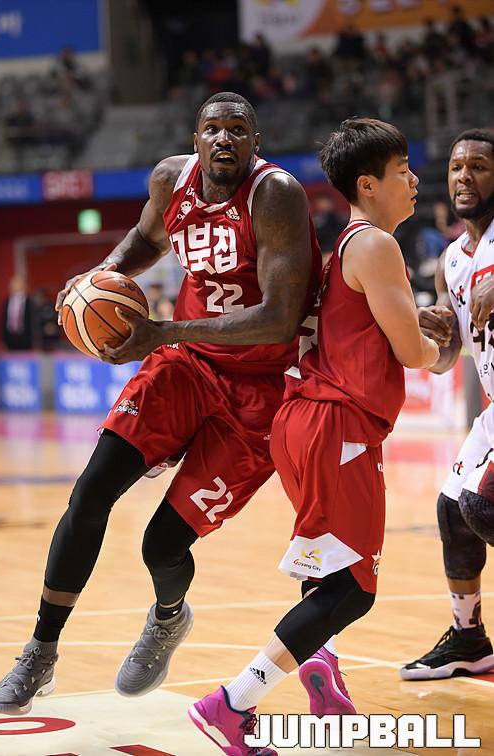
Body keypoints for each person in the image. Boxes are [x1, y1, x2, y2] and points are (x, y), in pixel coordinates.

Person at [0, 92, 321, 715]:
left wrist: (162, 331)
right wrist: (102, 276)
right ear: (195, 140)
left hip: (259, 391)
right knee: (90, 493)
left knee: (161, 544)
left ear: (255, 142)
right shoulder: (171, 181)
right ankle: (39, 652)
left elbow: (278, 318)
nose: (224, 139)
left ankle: (168, 617)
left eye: (237, 130)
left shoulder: (275, 195)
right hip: (185, 366)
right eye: (212, 129)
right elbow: (145, 238)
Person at [189, 117, 439, 755]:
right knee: (353, 589)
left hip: (305, 421)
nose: (415, 180)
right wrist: (448, 347)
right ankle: (231, 704)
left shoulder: (345, 247)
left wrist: (420, 325)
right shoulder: (376, 245)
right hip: (336, 425)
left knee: (329, 570)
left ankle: (321, 669)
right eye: (403, 170)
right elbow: (414, 353)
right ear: (368, 184)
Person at [401, 128, 494, 681]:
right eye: (458, 167)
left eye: (479, 166)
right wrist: (432, 338)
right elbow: (445, 361)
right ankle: (468, 639)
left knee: (483, 507)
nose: (464, 176)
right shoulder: (451, 262)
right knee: (453, 511)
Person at [1, 274, 34, 351]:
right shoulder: (7, 301)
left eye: (16, 283)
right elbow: (4, 321)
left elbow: (33, 321)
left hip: (25, 339)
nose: (13, 286)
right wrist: (2, 339)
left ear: (23, 285)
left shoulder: (30, 302)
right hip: (10, 338)